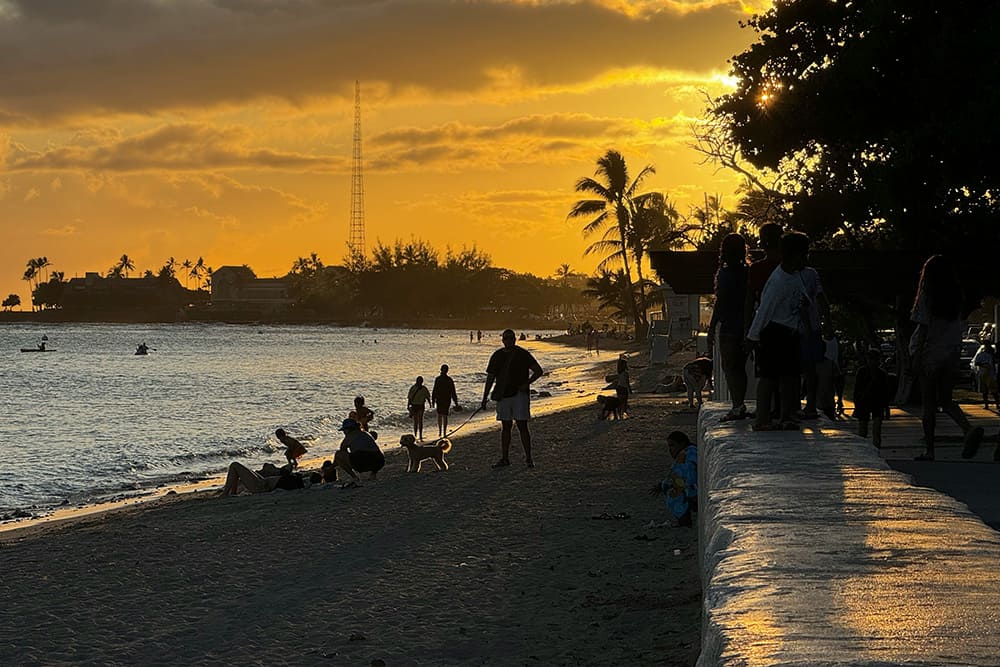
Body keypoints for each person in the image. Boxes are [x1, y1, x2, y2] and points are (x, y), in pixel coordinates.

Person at [909, 255, 984, 460]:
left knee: (929, 404)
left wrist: (916, 357)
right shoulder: (956, 297)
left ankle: (930, 450)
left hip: (930, 353)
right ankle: (967, 428)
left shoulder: (927, 296)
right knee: (946, 399)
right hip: (950, 353)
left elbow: (923, 328)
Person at [746, 231, 811, 431]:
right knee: (769, 377)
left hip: (789, 331)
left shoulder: (795, 275)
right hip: (773, 331)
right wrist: (752, 336)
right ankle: (762, 418)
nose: (807, 258)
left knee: (790, 376)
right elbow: (764, 310)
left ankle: (787, 415)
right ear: (794, 254)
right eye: (804, 253)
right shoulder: (778, 281)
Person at [481, 329, 544, 468]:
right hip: (503, 395)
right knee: (506, 427)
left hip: (519, 395)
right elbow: (490, 378)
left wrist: (526, 384)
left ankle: (528, 458)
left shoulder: (522, 354)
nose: (508, 340)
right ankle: (505, 458)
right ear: (503, 340)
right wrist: (485, 397)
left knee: (522, 426)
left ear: (514, 340)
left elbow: (539, 371)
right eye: (506, 338)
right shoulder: (497, 355)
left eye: (510, 338)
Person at [707, 233, 749, 421]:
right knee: (740, 367)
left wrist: (711, 327)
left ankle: (737, 405)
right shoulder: (748, 272)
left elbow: (721, 301)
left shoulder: (725, 273)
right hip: (746, 324)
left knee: (730, 367)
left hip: (730, 326)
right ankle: (739, 405)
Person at [649, 431, 698, 527]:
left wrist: (664, 485)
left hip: (695, 492)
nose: (670, 450)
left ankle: (684, 521)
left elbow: (686, 478)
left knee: (675, 494)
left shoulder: (685, 456)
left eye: (672, 445)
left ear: (682, 444)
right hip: (695, 489)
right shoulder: (692, 451)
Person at [853, 348, 889, 448]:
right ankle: (864, 451)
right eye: (871, 359)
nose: (873, 362)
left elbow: (885, 392)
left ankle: (875, 451)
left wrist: (886, 407)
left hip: (877, 403)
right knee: (863, 431)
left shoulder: (881, 374)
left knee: (876, 431)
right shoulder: (862, 372)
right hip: (864, 402)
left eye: (875, 359)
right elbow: (857, 390)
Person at [432, 364, 460, 438]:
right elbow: (453, 392)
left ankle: (440, 431)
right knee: (445, 415)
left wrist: (433, 400)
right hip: (446, 399)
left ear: (441, 370)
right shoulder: (449, 380)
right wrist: (456, 402)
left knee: (440, 415)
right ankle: (443, 432)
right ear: (447, 370)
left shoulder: (438, 379)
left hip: (440, 399)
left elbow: (434, 390)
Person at [971, 340, 998, 409]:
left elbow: (994, 363)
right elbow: (976, 363)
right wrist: (984, 365)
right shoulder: (981, 355)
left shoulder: (992, 355)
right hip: (983, 373)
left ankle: (997, 404)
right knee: (985, 390)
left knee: (993, 390)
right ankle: (987, 405)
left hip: (990, 374)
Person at [406, 376, 432, 441]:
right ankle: (420, 435)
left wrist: (408, 405)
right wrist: (430, 404)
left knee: (415, 421)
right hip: (420, 406)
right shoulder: (424, 388)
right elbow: (427, 397)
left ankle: (415, 435)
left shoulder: (413, 388)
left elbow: (409, 398)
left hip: (414, 406)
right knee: (420, 421)